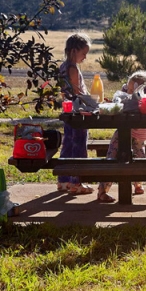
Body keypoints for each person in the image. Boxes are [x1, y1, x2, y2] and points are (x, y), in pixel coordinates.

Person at [96, 70, 146, 203]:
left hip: (139, 135)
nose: (128, 91)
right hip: (121, 133)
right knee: (112, 157)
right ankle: (102, 191)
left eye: (131, 89)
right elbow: (120, 99)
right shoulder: (125, 96)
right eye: (128, 88)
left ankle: (138, 183)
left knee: (140, 158)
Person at [57, 32, 94, 195]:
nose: (84, 58)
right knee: (79, 146)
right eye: (83, 54)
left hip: (68, 111)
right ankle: (76, 182)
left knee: (68, 144)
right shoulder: (72, 68)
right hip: (78, 112)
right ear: (74, 51)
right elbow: (77, 92)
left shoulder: (63, 66)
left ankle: (64, 180)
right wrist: (92, 103)